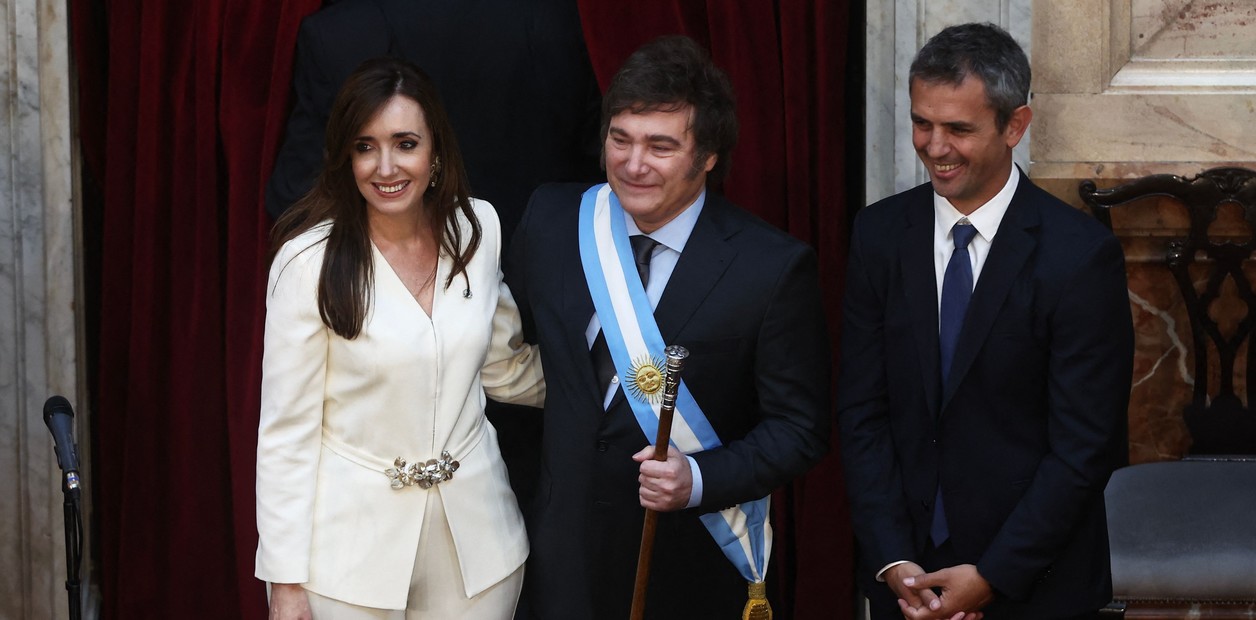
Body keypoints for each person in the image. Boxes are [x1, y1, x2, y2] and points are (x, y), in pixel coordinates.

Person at [505, 35, 831, 619]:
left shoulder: (770, 267)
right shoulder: (552, 220)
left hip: (687, 567)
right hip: (560, 561)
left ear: (707, 155)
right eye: (620, 139)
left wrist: (698, 479)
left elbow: (799, 429)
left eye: (660, 146)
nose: (633, 164)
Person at [837, 22, 1133, 620]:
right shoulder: (878, 235)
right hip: (906, 585)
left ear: (1015, 126)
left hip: (1035, 586)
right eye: (922, 123)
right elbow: (862, 413)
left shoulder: (1079, 256)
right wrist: (893, 560)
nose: (934, 146)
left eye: (959, 129)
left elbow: (1084, 448)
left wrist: (993, 576)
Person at [255, 57, 544, 619]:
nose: (385, 167)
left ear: (435, 152)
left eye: (405, 144)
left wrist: (612, 388)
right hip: (345, 561)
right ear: (346, 157)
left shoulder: (476, 228)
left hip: (479, 550)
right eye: (365, 147)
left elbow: (502, 367)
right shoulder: (307, 262)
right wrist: (284, 581)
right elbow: (287, 434)